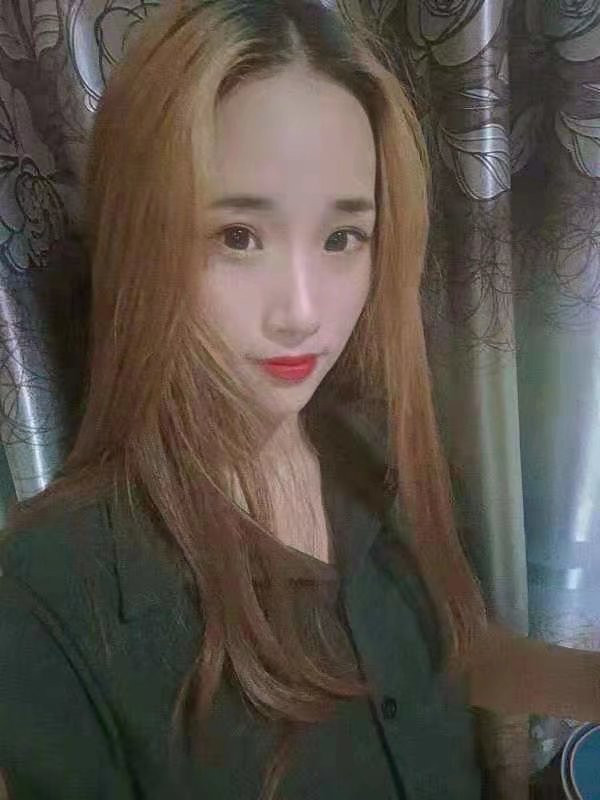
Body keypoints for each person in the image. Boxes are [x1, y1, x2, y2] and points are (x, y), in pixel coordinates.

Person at [0, 2, 598, 799]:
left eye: (342, 238)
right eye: (238, 236)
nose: (303, 313)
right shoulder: (47, 601)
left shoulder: (368, 447)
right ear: (141, 238)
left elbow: (440, 657)